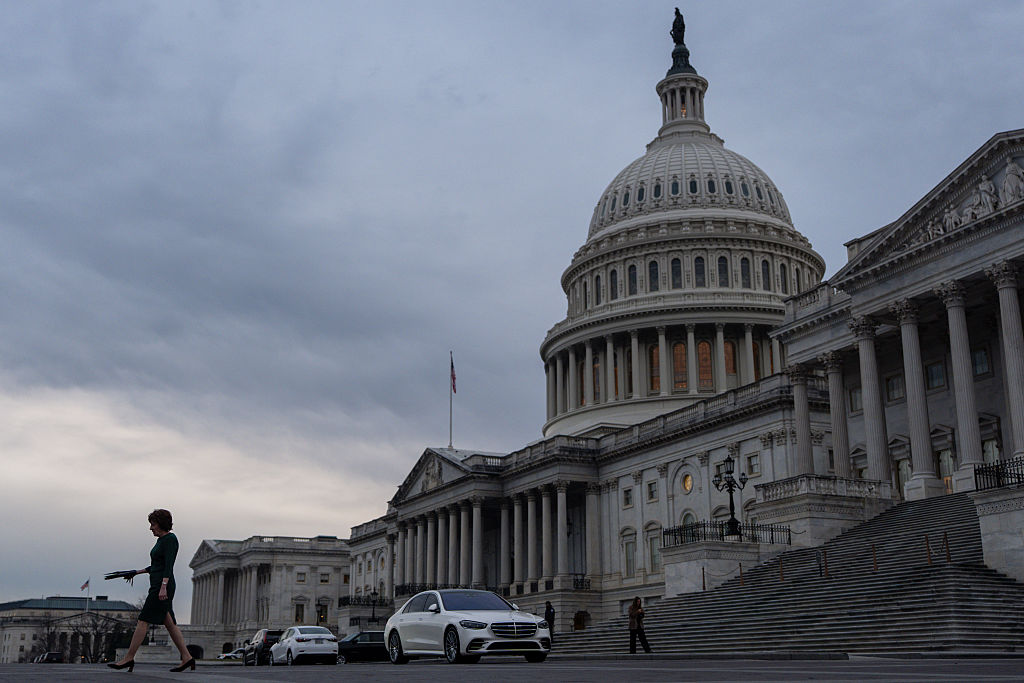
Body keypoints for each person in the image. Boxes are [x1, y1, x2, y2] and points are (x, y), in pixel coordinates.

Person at [109, 509, 195, 673]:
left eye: (153, 524)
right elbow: (157, 565)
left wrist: (163, 587)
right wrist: (136, 572)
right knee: (170, 624)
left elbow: (168, 566)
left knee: (143, 620)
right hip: (157, 584)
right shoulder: (161, 541)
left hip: (161, 587)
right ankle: (187, 657)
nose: (150, 528)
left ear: (161, 524)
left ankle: (128, 658)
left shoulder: (170, 540)